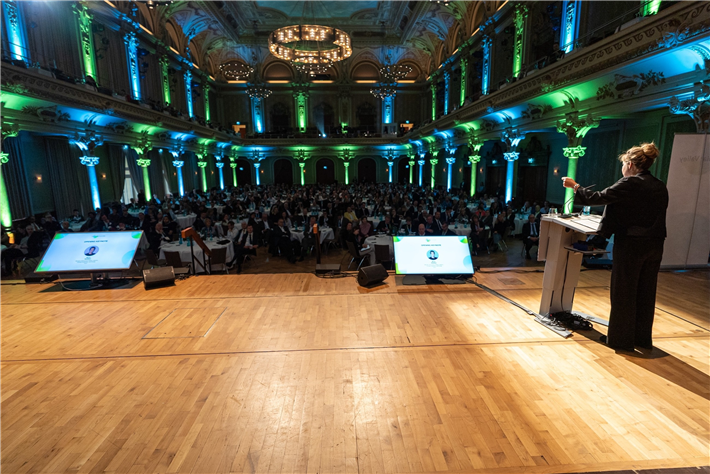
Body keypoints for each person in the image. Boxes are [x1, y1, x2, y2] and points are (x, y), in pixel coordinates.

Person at [562, 142, 668, 351]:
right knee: (646, 292)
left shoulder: (630, 182)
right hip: (655, 244)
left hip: (631, 244)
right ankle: (641, 339)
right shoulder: (659, 185)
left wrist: (575, 186)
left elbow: (598, 197)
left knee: (624, 291)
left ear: (630, 164)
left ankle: (620, 340)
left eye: (623, 164)